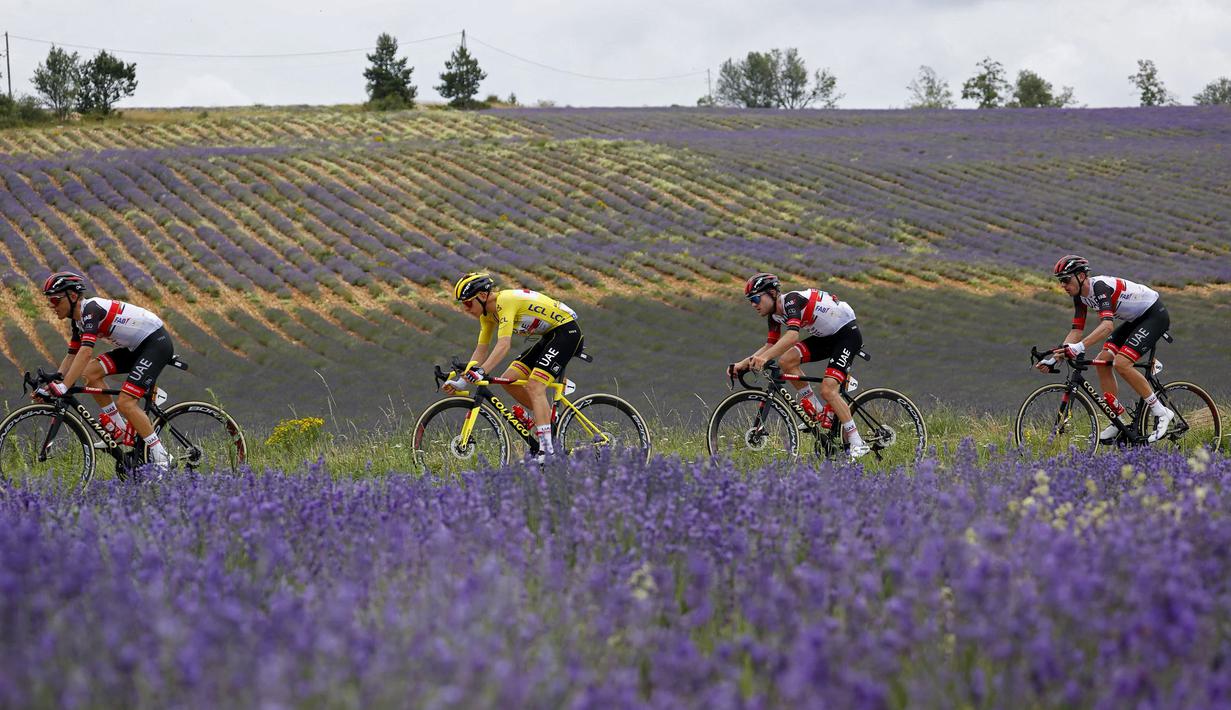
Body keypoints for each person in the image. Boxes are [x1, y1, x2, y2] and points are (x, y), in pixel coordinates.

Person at [40, 271, 174, 468]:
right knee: (90, 372)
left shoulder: (91, 310)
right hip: (135, 348)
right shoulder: (78, 321)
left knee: (126, 402)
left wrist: (64, 387)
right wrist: (56, 383)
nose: (52, 306)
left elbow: (85, 352)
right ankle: (118, 429)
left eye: (55, 300)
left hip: (155, 343)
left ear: (73, 296)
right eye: (49, 301)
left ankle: (162, 458)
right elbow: (72, 355)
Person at [729, 272, 870, 459]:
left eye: (755, 298)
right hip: (827, 338)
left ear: (771, 293)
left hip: (846, 334)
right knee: (786, 361)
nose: (753, 304)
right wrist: (742, 364)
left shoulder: (791, 301)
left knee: (828, 390)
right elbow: (769, 346)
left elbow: (793, 336)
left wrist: (764, 359)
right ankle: (817, 413)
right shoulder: (774, 317)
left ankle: (857, 442)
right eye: (750, 301)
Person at [446, 272, 583, 460]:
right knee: (509, 380)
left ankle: (547, 450)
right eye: (462, 304)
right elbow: (481, 349)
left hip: (566, 332)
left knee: (535, 385)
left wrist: (482, 371)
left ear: (483, 296)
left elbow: (503, 345)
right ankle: (547, 420)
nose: (465, 309)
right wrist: (462, 382)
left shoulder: (505, 302)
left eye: (468, 303)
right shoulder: (487, 316)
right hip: (549, 336)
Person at [1037, 255, 1174, 443]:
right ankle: (1116, 419)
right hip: (1134, 320)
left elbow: (1107, 326)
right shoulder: (1080, 297)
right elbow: (1076, 331)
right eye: (1061, 281)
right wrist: (1056, 356)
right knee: (1103, 362)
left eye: (1066, 279)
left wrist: (1078, 348)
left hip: (1153, 316)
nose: (1063, 285)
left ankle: (1161, 411)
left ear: (1081, 276)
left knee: (1122, 363)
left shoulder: (1100, 287)